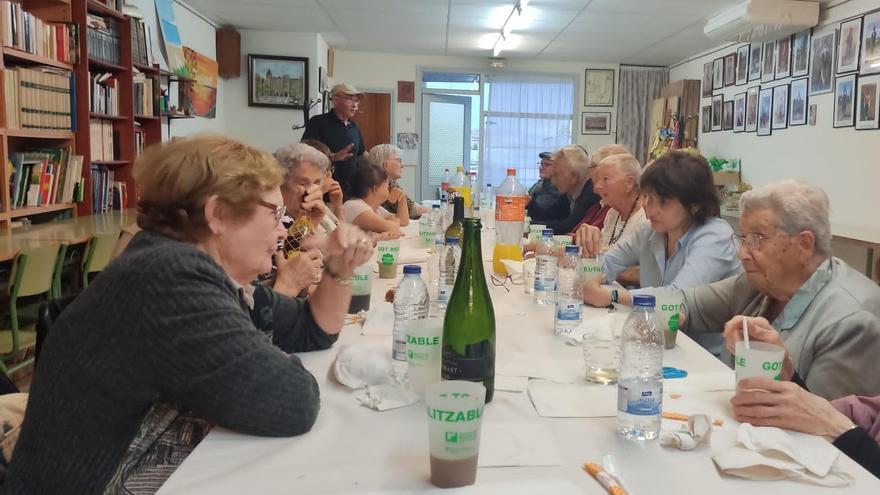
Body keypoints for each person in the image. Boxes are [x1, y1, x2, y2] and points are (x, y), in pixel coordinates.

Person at [3, 136, 374, 494]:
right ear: (218, 213)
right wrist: (270, 353)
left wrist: (339, 269)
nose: (282, 227)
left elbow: (314, 330)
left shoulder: (203, 274)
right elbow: (294, 402)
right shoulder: (168, 278)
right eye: (274, 213)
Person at [682, 180, 880, 400]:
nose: (742, 254)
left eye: (756, 239)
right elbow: (686, 303)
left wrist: (784, 372)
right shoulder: (757, 284)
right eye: (743, 239)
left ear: (804, 245)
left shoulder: (852, 321)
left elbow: (826, 422)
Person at [582, 151, 741, 307]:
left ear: (694, 206)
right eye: (647, 197)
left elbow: (678, 297)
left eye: (663, 201)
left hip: (695, 333)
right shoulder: (649, 231)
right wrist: (588, 272)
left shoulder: (715, 237)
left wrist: (614, 296)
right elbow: (608, 262)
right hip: (657, 326)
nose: (649, 208)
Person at [723, 322, 880, 478]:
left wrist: (836, 427)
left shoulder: (851, 321)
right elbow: (830, 415)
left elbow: (834, 422)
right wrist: (787, 376)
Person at [269, 142, 334, 297]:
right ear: (279, 181)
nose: (311, 191)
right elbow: (285, 269)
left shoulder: (300, 216)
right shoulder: (269, 216)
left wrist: (311, 222)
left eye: (317, 183)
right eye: (302, 183)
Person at [574, 152, 648, 287]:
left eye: (605, 179)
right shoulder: (612, 213)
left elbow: (643, 273)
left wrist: (593, 262)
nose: (597, 188)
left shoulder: (646, 219)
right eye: (596, 180)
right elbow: (599, 253)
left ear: (629, 183)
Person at [302, 83, 365, 197]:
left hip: (349, 191)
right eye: (351, 100)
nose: (355, 105)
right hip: (324, 190)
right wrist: (332, 157)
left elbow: (362, 154)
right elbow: (305, 154)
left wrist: (381, 165)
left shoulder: (354, 127)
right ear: (336, 100)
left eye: (357, 101)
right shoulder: (318, 122)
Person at [543, 145, 602, 235]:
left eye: (556, 175)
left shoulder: (591, 194)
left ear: (573, 176)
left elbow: (568, 226)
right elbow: (549, 214)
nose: (552, 181)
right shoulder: (569, 191)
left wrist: (530, 225)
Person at [342, 158, 404, 236]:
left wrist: (402, 199)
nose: (388, 186)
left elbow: (397, 219)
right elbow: (392, 226)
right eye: (386, 182)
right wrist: (392, 223)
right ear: (376, 189)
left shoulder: (375, 207)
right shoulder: (354, 205)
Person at [368, 143, 429, 221]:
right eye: (399, 161)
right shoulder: (389, 186)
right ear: (386, 165)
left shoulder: (375, 185)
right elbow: (414, 211)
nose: (402, 165)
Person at [301, 138, 343, 221]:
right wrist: (320, 189)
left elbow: (344, 232)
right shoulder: (298, 207)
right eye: (326, 169)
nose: (330, 174)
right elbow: (303, 232)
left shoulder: (321, 203)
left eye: (331, 169)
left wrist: (338, 207)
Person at [526, 151, 568, 222]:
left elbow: (540, 210)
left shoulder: (557, 187)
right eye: (541, 164)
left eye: (547, 164)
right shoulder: (539, 183)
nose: (542, 167)